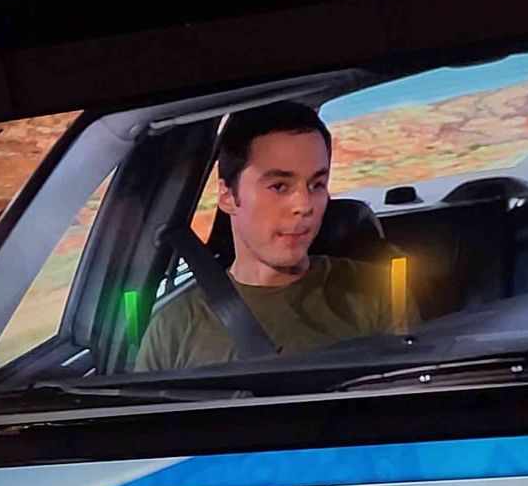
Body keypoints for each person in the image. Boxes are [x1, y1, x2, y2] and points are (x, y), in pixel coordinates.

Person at [136, 101, 408, 371]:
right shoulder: (172, 329)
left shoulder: (380, 291)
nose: (304, 205)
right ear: (229, 196)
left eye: (317, 185)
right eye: (279, 186)